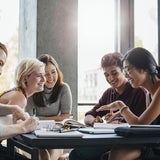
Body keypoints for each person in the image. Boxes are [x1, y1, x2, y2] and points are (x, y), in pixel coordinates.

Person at [69, 52, 147, 160]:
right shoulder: (109, 93)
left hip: (130, 143)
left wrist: (121, 122)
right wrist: (93, 121)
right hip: (112, 140)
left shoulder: (139, 92)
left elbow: (141, 126)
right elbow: (89, 115)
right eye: (106, 75)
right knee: (76, 153)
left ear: (124, 71)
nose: (110, 78)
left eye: (114, 73)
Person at [96, 47, 160, 160]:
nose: (125, 75)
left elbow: (140, 125)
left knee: (117, 155)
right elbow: (144, 127)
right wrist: (122, 115)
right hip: (152, 143)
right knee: (107, 156)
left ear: (143, 68)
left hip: (156, 146)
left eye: (128, 70)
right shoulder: (148, 95)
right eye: (124, 71)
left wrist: (121, 106)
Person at [26, 54, 72, 160]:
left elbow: (66, 118)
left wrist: (42, 118)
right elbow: (30, 119)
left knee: (47, 157)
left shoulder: (63, 88)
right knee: (40, 156)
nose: (50, 77)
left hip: (54, 136)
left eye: (53, 72)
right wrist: (56, 118)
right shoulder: (32, 89)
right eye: (45, 74)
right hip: (33, 136)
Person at [0, 42, 39, 159]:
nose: (1, 71)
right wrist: (23, 127)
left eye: (2, 65)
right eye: (39, 75)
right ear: (26, 77)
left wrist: (13, 109)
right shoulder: (19, 97)